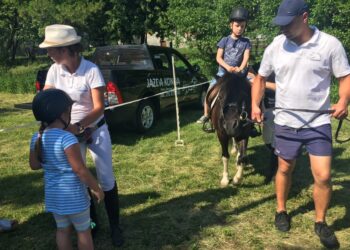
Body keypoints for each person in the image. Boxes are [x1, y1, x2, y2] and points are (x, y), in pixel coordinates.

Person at [251, 0, 350, 248]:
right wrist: (255, 105)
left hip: (318, 122)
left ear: (304, 17)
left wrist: (343, 101)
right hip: (285, 121)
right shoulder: (276, 46)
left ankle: (320, 222)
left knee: (324, 176)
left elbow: (345, 77)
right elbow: (261, 78)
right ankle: (281, 210)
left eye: (288, 23)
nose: (282, 29)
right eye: (280, 24)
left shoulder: (330, 45)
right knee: (284, 169)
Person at [40, 24, 124, 247]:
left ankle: (115, 225)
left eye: (52, 49)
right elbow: (47, 99)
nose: (48, 53)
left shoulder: (91, 70)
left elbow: (99, 107)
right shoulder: (54, 70)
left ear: (66, 49)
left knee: (105, 177)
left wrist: (77, 126)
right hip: (68, 132)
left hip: (94, 129)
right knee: (80, 176)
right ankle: (91, 224)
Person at [29, 89, 104, 250]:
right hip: (74, 197)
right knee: (84, 231)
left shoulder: (37, 137)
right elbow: (80, 170)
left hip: (54, 197)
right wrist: (96, 188)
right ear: (63, 114)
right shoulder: (66, 138)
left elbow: (34, 165)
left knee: (62, 230)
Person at [197, 7, 251, 124]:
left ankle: (252, 115)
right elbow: (218, 58)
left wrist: (240, 68)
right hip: (223, 72)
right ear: (231, 25)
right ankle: (206, 114)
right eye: (237, 25)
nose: (240, 29)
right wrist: (227, 67)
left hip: (239, 74)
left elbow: (246, 57)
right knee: (210, 89)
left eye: (242, 26)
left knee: (252, 88)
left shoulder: (246, 42)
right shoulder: (224, 40)